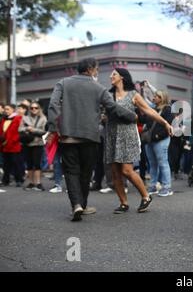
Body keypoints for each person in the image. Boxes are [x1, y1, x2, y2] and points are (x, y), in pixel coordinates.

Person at [47, 58, 138, 222]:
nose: (97, 72)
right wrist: (131, 115)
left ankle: (76, 205)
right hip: (90, 137)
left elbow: (53, 105)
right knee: (86, 172)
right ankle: (83, 203)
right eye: (96, 69)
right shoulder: (99, 88)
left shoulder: (63, 83)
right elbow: (113, 107)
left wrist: (53, 129)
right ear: (90, 69)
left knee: (71, 171)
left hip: (68, 137)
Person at [106, 68, 172, 213]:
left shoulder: (133, 95)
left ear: (122, 77)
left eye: (114, 74)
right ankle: (123, 203)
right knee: (115, 172)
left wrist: (165, 123)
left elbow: (149, 111)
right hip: (111, 135)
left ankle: (146, 196)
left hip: (127, 135)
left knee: (127, 170)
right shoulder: (108, 95)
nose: (111, 76)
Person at [143, 90, 174, 197]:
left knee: (163, 163)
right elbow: (145, 122)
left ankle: (167, 187)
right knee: (152, 164)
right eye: (154, 95)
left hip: (161, 140)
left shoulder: (168, 109)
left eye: (157, 96)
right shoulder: (152, 108)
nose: (154, 97)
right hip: (149, 140)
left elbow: (169, 125)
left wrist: (158, 136)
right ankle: (153, 185)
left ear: (162, 98)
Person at [19, 102, 47, 191]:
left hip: (38, 144)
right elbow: (19, 129)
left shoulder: (43, 118)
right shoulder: (25, 118)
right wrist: (27, 128)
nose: (34, 109)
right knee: (29, 164)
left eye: (36, 108)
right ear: (29, 109)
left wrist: (33, 130)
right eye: (32, 108)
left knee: (37, 163)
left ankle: (38, 183)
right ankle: (31, 182)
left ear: (39, 109)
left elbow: (44, 131)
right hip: (27, 143)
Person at [0, 104, 24, 188]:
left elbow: (18, 132)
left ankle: (19, 180)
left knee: (16, 163)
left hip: (14, 145)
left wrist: (13, 141)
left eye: (7, 109)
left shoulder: (18, 118)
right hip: (5, 145)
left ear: (13, 110)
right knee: (6, 164)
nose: (5, 110)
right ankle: (5, 180)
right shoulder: (4, 119)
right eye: (5, 109)